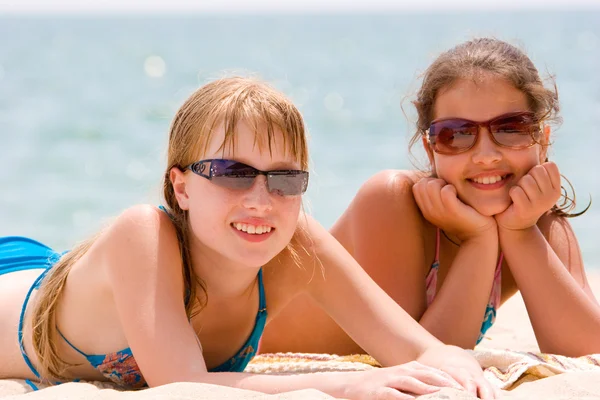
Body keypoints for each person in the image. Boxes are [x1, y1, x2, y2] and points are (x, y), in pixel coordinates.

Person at [0, 77, 496, 399]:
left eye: (284, 179)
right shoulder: (141, 232)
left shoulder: (296, 242)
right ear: (181, 186)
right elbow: (183, 387)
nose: (261, 201)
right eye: (232, 173)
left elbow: (420, 348)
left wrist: (465, 376)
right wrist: (352, 384)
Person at [260, 38, 600, 358]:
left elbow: (588, 351)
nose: (485, 155)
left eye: (510, 128)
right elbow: (422, 359)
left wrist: (520, 233)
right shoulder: (391, 201)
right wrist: (479, 242)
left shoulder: (537, 221)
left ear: (542, 139)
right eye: (456, 134)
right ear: (430, 147)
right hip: (237, 348)